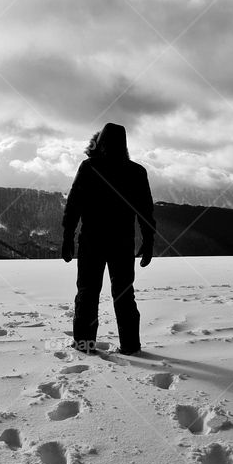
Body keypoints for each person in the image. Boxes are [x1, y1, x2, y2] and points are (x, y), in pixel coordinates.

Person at [61, 122, 156, 355]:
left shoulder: (88, 167)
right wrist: (148, 239)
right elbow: (145, 210)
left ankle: (84, 346)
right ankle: (131, 347)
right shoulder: (136, 172)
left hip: (91, 242)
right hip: (122, 244)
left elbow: (73, 206)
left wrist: (67, 236)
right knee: (123, 295)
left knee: (87, 294)